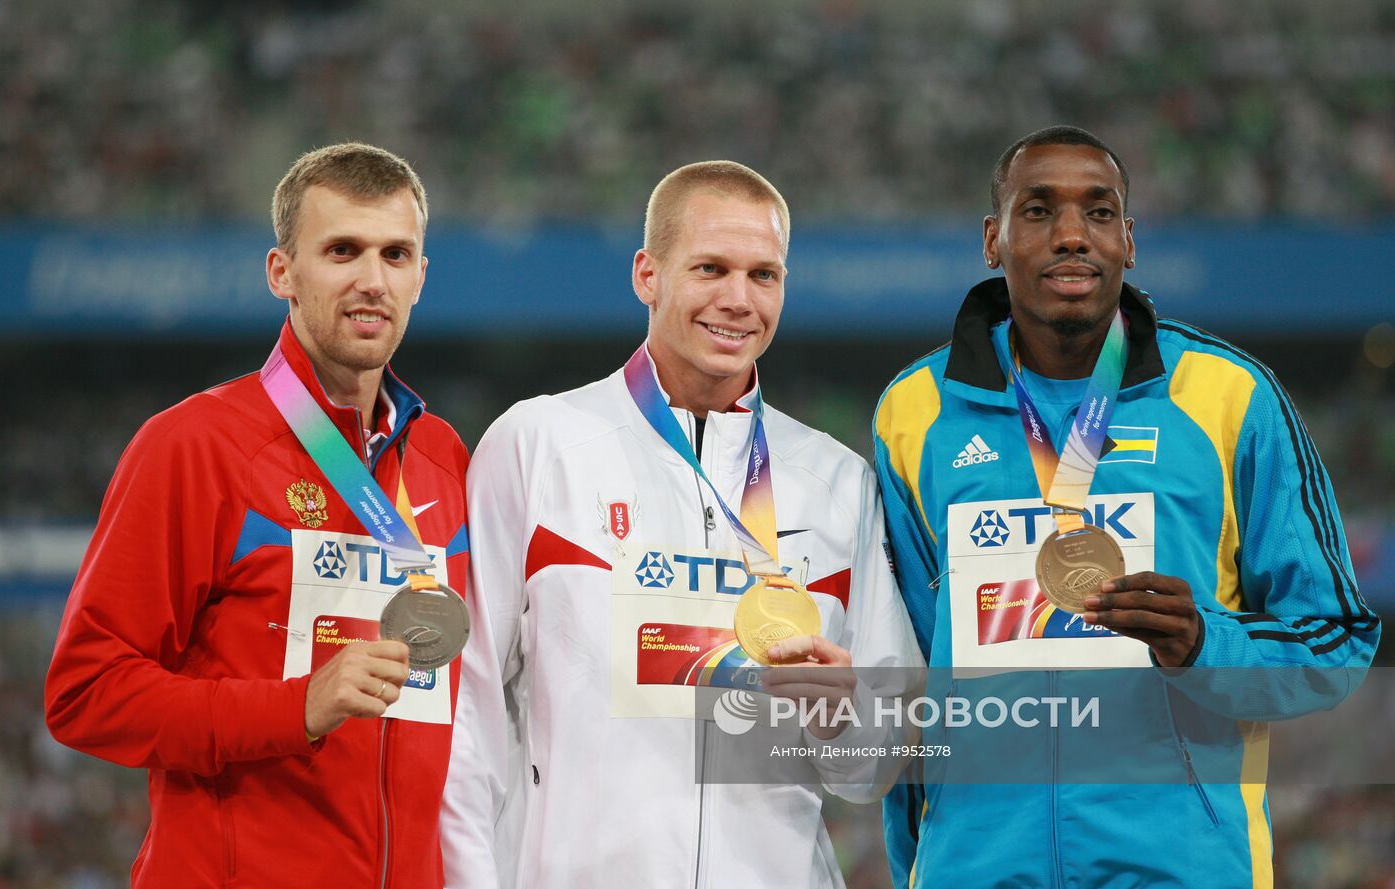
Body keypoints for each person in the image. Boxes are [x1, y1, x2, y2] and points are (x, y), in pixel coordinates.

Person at [873, 125, 1381, 888]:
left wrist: (1206, 645)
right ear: (993, 238)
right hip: (976, 867)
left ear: (1129, 240)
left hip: (1181, 868)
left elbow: (1337, 639)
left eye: (1099, 212)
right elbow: (904, 676)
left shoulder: (1230, 398)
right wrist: (925, 862)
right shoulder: (912, 414)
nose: (1072, 235)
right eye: (1039, 211)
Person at [440, 160, 923, 888]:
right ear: (647, 273)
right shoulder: (539, 443)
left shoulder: (836, 482)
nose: (738, 299)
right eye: (711, 267)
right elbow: (465, 709)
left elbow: (875, 765)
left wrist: (841, 718)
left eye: (764, 275)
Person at [45, 143, 478, 887]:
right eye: (342, 250)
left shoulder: (443, 457)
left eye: (395, 254)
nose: (372, 279)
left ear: (421, 277)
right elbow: (85, 692)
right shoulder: (195, 444)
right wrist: (299, 705)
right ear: (282, 271)